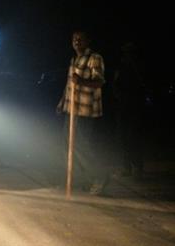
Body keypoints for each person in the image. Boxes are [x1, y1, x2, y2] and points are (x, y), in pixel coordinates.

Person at [57, 30, 108, 195]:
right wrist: (61, 103)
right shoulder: (74, 60)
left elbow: (99, 82)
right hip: (71, 109)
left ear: (87, 41)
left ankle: (99, 177)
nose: (76, 42)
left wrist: (82, 81)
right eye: (74, 39)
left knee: (81, 146)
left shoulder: (95, 58)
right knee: (68, 145)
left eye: (80, 39)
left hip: (85, 110)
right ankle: (82, 179)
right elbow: (69, 86)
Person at [113, 41, 146, 180]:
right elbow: (115, 83)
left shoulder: (139, 65)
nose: (128, 53)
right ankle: (126, 167)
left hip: (136, 104)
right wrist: (118, 95)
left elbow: (143, 83)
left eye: (130, 51)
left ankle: (137, 167)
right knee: (122, 136)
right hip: (123, 105)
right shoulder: (121, 66)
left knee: (134, 136)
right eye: (126, 51)